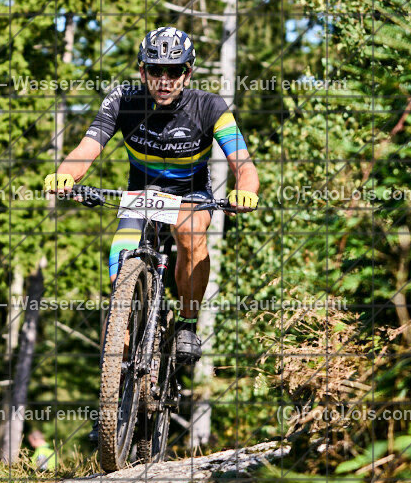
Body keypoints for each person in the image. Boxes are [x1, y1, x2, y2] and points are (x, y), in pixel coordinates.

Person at [44, 26, 259, 363]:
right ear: (142, 72)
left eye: (174, 71)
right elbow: (86, 149)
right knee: (120, 271)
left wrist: (244, 192)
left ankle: (186, 323)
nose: (164, 80)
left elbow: (244, 165)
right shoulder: (123, 100)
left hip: (189, 193)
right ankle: (120, 374)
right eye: (156, 70)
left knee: (190, 231)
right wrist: (65, 175)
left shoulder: (210, 106)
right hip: (141, 194)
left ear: (188, 73)